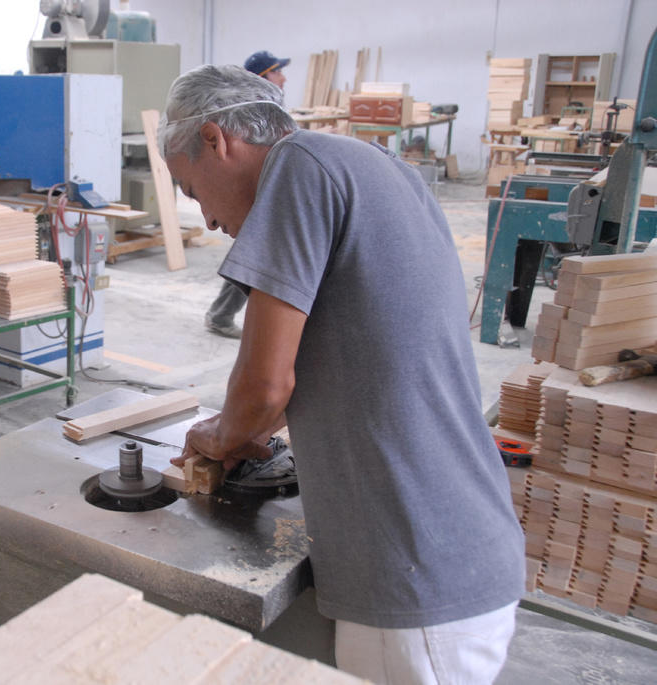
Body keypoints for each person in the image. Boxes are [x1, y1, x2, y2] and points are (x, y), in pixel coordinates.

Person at [160, 65, 525, 684]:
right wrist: (248, 425)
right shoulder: (371, 166)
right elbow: (342, 356)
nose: (209, 222)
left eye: (193, 192)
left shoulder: (296, 169)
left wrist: (219, 436)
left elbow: (265, 387)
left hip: (410, 576)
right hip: (464, 545)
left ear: (217, 140)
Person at [204, 50, 290, 338]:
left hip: (267, 189)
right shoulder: (251, 111)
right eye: (278, 72)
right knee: (253, 253)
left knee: (253, 253)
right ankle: (221, 315)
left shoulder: (264, 106)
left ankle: (221, 314)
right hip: (259, 190)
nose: (283, 78)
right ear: (263, 76)